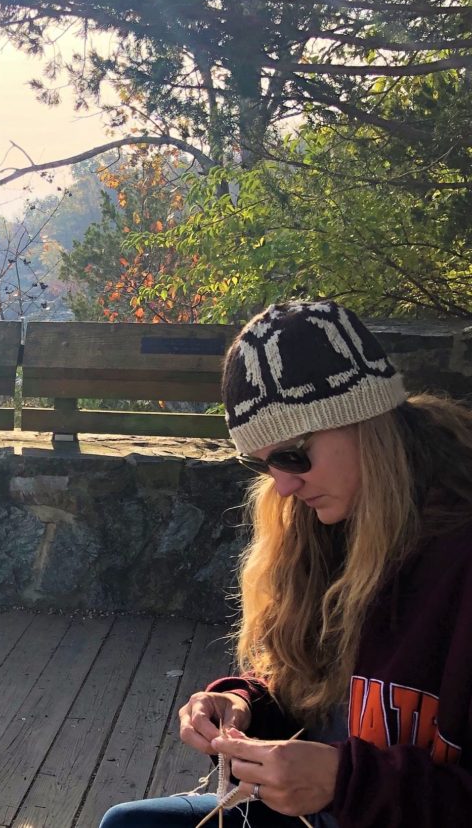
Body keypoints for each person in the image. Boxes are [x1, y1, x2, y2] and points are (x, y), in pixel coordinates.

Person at [100, 300, 472, 828]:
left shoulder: (457, 557)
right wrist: (243, 703)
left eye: (295, 454)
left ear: (368, 421)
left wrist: (347, 783)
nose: (283, 485)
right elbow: (310, 696)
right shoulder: (320, 530)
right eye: (264, 463)